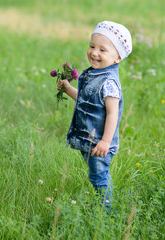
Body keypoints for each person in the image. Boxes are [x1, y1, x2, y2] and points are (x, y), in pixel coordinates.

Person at [57, 21, 132, 210]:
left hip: (100, 143)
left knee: (99, 177)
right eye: (92, 46)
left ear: (118, 58)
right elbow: (84, 99)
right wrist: (67, 89)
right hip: (90, 140)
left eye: (102, 50)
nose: (94, 53)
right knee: (96, 175)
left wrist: (106, 141)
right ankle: (103, 205)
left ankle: (107, 213)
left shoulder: (109, 83)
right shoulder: (94, 75)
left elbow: (112, 113)